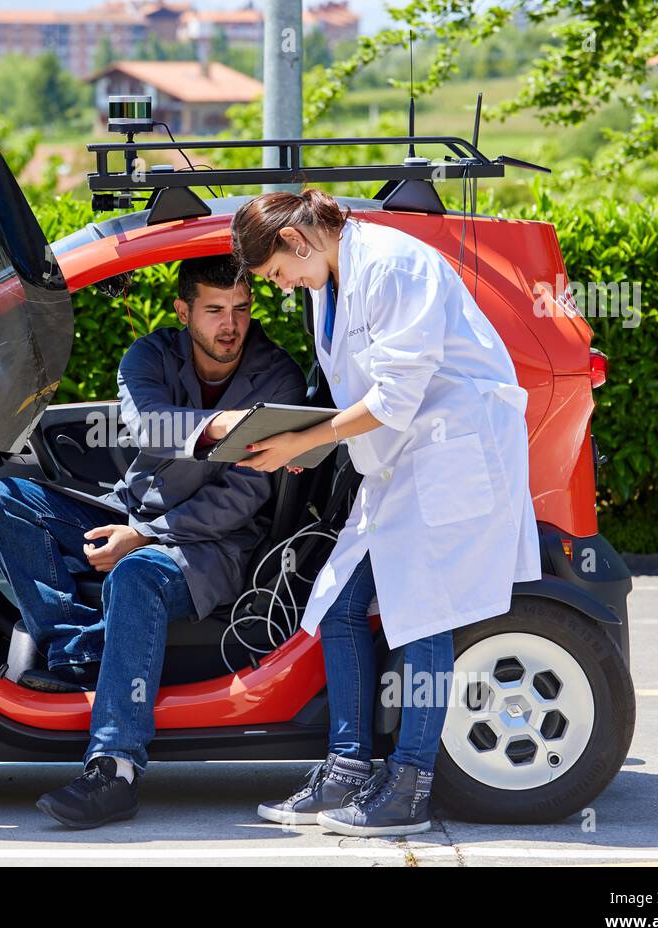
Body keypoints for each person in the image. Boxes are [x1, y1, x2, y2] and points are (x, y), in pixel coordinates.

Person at [230, 189, 541, 836]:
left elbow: (396, 396)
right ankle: (346, 768)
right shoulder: (332, 279)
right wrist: (301, 442)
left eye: (278, 275)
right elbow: (360, 390)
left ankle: (409, 788)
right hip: (400, 461)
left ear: (297, 241)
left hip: (450, 449)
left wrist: (306, 440)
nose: (284, 288)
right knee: (341, 605)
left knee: (425, 614)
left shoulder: (397, 266)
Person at [0, 254, 306, 828]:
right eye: (213, 311)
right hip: (132, 511)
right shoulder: (148, 356)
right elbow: (147, 426)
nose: (231, 325)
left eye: (241, 309)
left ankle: (115, 769)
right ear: (183, 311)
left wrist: (144, 538)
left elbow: (242, 498)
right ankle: (77, 651)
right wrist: (215, 429)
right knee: (5, 496)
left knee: (136, 572)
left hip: (212, 546)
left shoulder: (277, 378)